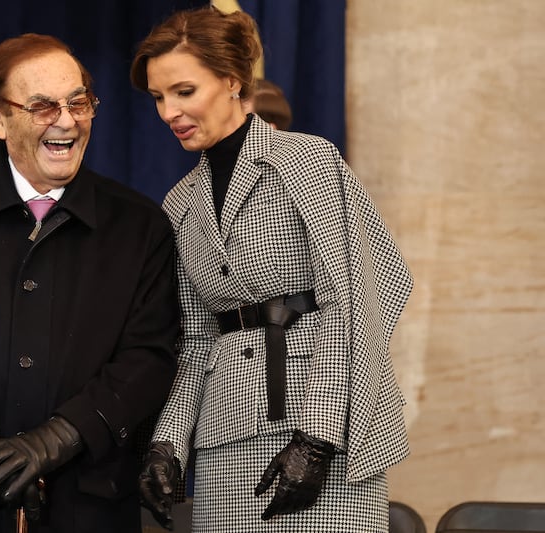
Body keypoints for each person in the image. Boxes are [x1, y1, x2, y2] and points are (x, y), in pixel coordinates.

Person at [0, 33, 180, 533]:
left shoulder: (140, 224)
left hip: (91, 502)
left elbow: (149, 357)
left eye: (78, 102)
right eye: (42, 106)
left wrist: (56, 440)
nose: (67, 120)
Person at [130, 6, 413, 532]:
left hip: (323, 430)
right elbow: (196, 340)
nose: (169, 111)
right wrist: (166, 446)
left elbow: (351, 301)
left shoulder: (306, 160)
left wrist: (317, 440)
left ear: (232, 81)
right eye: (158, 97)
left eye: (184, 91)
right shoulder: (179, 203)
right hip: (222, 442)